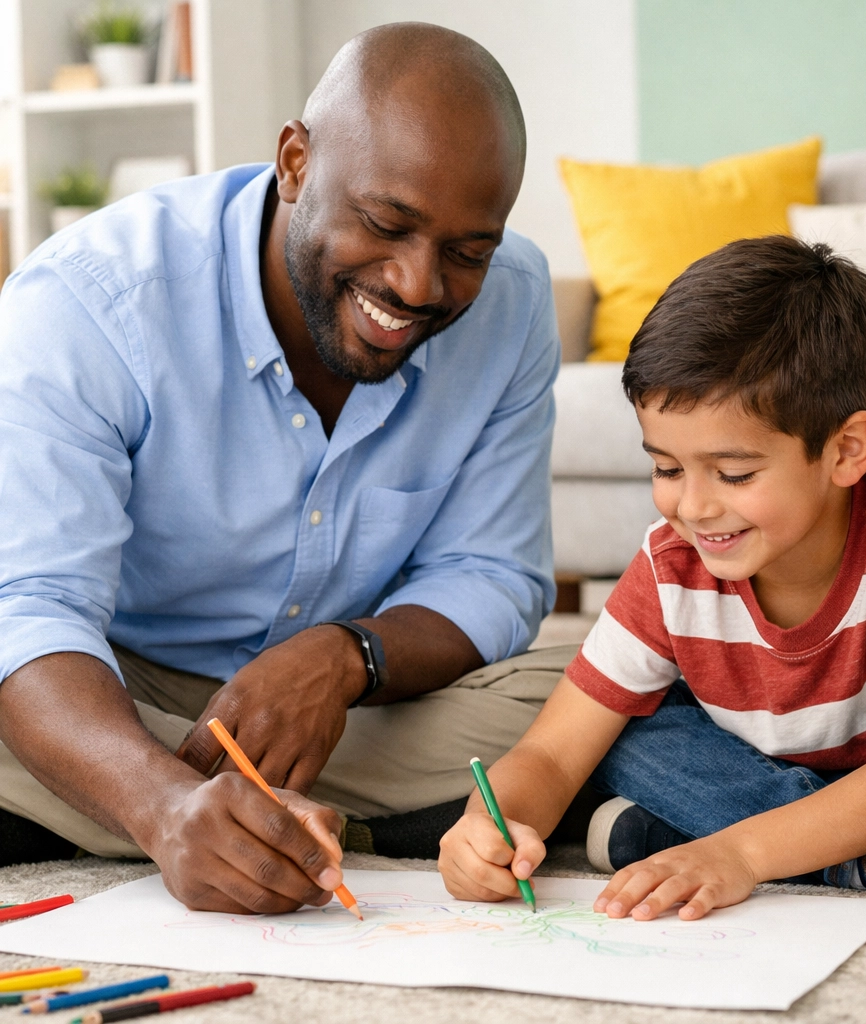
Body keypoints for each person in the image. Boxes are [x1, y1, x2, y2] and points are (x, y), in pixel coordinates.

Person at [0, 23, 570, 913]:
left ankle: (120, 816)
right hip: (119, 679)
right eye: (387, 224)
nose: (420, 286)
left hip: (355, 715)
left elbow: (493, 575)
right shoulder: (90, 302)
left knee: (600, 691)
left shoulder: (515, 302)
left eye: (467, 252)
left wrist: (344, 660)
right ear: (296, 164)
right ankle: (208, 817)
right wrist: (160, 801)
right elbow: (30, 612)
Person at [439, 235, 866, 918]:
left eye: (735, 474)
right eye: (666, 468)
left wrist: (739, 855)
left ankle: (688, 836)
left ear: (848, 450)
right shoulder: (670, 563)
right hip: (752, 758)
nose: (693, 506)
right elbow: (553, 754)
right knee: (631, 740)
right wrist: (487, 821)